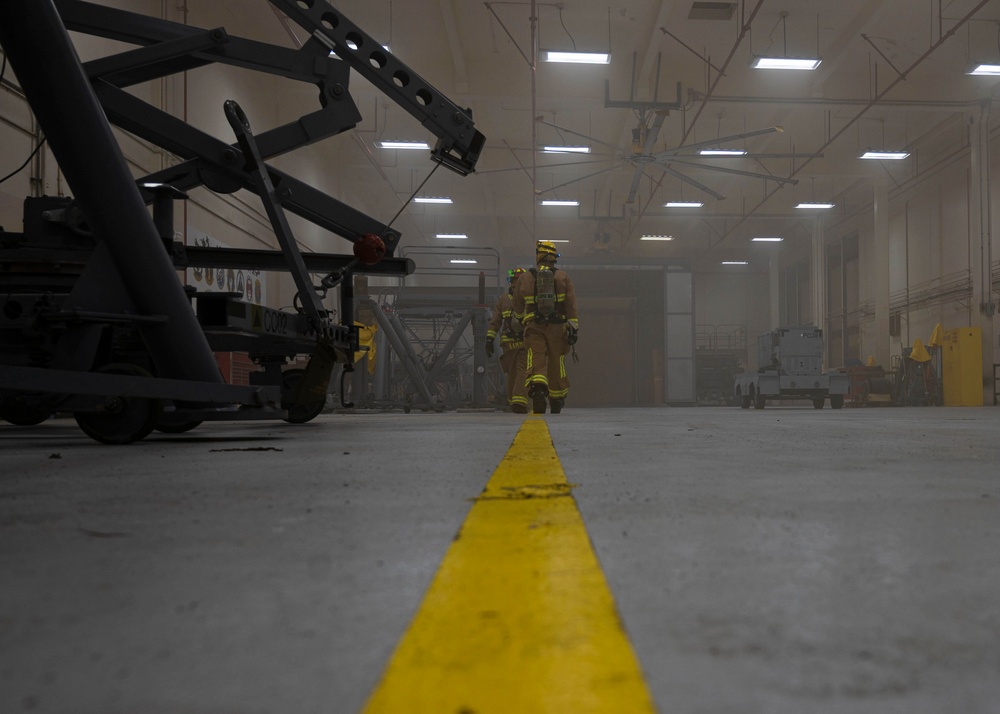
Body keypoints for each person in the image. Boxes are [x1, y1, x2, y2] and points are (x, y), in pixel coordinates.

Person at [513, 240, 578, 414]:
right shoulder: (563, 277)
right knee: (557, 361)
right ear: (553, 257)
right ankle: (556, 399)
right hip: (558, 327)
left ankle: (539, 389)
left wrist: (521, 321)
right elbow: (571, 305)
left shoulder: (525, 278)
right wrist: (573, 326)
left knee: (536, 358)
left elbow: (518, 307)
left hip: (534, 326)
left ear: (538, 256)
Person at [486, 268, 529, 413]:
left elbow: (495, 321)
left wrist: (489, 339)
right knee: (522, 369)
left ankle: (513, 401)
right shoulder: (528, 297)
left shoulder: (503, 299)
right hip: (524, 341)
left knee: (511, 372)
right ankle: (519, 401)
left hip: (508, 343)